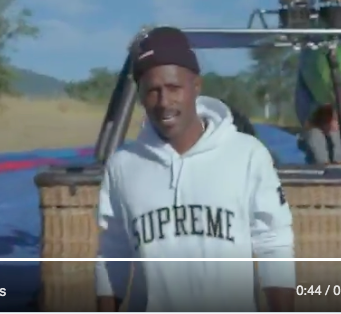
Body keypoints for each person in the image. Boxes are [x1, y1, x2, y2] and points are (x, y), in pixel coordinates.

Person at [95, 26, 296, 312]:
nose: (164, 102)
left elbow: (273, 243)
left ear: (196, 87)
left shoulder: (247, 154)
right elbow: (112, 253)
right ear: (140, 96)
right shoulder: (123, 165)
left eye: (174, 88)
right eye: (152, 91)